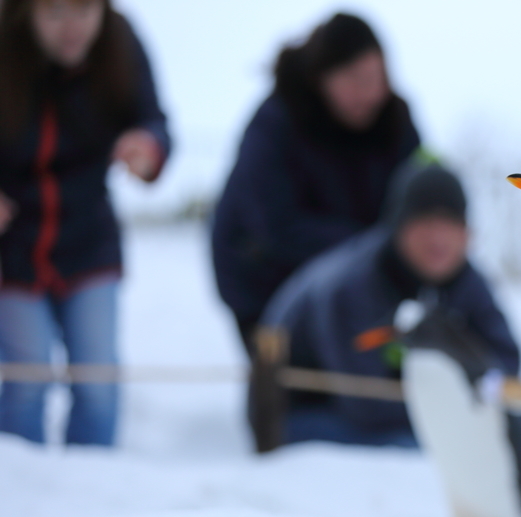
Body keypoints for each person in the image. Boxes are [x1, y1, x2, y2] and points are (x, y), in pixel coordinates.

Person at [0, 0, 170, 445]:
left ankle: (94, 496)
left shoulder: (120, 43)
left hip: (89, 241)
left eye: (83, 10)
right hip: (15, 249)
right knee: (26, 380)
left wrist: (147, 146)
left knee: (98, 385)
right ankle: (23, 489)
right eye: (53, 12)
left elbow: (154, 120)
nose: (71, 27)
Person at [256, 163, 519, 448]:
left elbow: (506, 361)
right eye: (424, 222)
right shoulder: (353, 285)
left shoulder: (465, 280)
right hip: (306, 413)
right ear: (397, 226)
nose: (438, 237)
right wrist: (459, 405)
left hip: (401, 410)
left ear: (468, 234)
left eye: (450, 223)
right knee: (424, 448)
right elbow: (367, 405)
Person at [212, 13, 421, 351]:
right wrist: (371, 245)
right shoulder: (275, 123)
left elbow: (418, 196)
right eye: (355, 80)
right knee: (294, 386)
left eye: (376, 78)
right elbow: (273, 226)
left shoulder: (394, 122)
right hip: (266, 284)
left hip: (362, 285)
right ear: (322, 77)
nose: (369, 93)